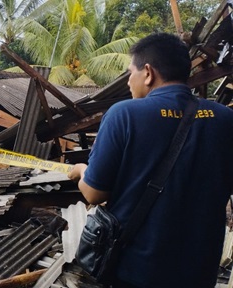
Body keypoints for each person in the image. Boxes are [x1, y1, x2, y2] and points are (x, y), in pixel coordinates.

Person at [68, 33, 233, 287]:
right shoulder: (225, 120)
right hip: (200, 271)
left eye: (129, 73)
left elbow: (93, 194)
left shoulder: (124, 115)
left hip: (136, 271)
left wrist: (81, 170)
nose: (128, 83)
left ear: (148, 72)